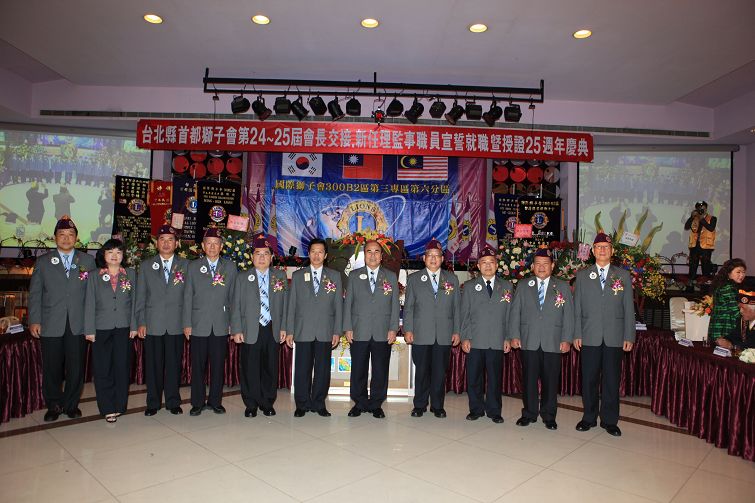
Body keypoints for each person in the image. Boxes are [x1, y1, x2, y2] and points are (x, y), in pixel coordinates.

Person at [28, 215, 96, 421]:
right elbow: (35, 294)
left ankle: (71, 404)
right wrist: (34, 320)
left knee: (76, 367)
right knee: (52, 367)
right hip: (51, 322)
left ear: (76, 238)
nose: (66, 238)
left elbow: (93, 295)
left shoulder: (87, 261)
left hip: (78, 323)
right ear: (55, 237)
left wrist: (91, 323)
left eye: (70, 234)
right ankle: (54, 405)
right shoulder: (43, 262)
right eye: (62, 234)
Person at [573, 233, 635, 437]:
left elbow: (628, 308)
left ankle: (609, 420)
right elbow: (577, 307)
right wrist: (577, 333)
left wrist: (629, 336)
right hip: (589, 335)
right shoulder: (583, 275)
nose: (602, 250)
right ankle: (589, 417)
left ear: (612, 251)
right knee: (589, 379)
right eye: (598, 247)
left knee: (611, 380)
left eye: (606, 247)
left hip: (614, 336)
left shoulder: (623, 275)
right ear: (592, 251)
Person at [508, 247, 574, 430]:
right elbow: (515, 312)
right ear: (533, 267)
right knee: (529, 379)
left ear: (552, 266)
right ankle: (529, 413)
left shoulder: (562, 286)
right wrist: (514, 335)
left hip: (553, 340)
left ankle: (549, 415)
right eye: (538, 264)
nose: (542, 267)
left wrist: (567, 339)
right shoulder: (523, 285)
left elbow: (569, 315)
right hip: (529, 340)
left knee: (550, 381)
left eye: (545, 264)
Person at [231, 234, 288, 418]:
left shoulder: (279, 276)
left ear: (272, 257)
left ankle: (267, 402)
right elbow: (235, 305)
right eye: (258, 253)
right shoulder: (242, 277)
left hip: (272, 327)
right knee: (250, 368)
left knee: (270, 367)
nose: (262, 257)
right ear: (251, 256)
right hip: (250, 328)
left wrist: (284, 327)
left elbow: (286, 305)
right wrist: (237, 329)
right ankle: (251, 404)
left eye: (266, 253)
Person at [403, 238, 461, 418]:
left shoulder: (451, 278)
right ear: (424, 258)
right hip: (421, 333)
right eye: (430, 255)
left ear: (442, 259)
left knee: (439, 372)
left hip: (444, 333)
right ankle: (419, 405)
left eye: (437, 255)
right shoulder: (414, 279)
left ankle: (437, 406)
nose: (433, 259)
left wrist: (457, 331)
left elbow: (457, 308)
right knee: (421, 371)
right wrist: (408, 329)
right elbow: (409, 307)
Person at [342, 240, 400, 419]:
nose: (373, 255)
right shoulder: (354, 275)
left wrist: (393, 328)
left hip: (383, 331)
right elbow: (348, 303)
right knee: (358, 369)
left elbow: (395, 305)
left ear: (381, 256)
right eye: (369, 251)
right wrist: (348, 327)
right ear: (364, 254)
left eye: (376, 252)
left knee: (380, 370)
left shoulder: (390, 276)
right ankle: (359, 403)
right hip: (359, 330)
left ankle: (376, 404)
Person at [285, 238, 343, 417]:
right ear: (308, 254)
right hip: (303, 329)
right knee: (302, 369)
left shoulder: (334, 276)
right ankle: (302, 404)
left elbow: (338, 306)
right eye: (313, 252)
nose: (316, 255)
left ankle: (319, 403)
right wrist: (290, 331)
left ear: (325, 255)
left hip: (325, 330)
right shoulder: (298, 276)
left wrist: (337, 331)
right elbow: (291, 305)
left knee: (322, 370)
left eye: (320, 252)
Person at [134, 225, 188, 416]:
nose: (166, 243)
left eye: (170, 239)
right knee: (153, 365)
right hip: (153, 323)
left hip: (176, 323)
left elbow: (189, 297)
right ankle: (153, 402)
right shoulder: (146, 266)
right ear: (156, 243)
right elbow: (140, 297)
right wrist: (141, 322)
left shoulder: (186, 265)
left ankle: (173, 401)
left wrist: (187, 323)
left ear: (177, 243)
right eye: (162, 239)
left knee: (174, 364)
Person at [183, 226, 237, 416]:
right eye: (209, 243)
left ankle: (215, 401)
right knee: (197, 366)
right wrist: (187, 323)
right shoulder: (193, 266)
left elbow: (234, 298)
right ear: (203, 246)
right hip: (198, 323)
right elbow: (187, 296)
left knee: (217, 366)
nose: (212, 247)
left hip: (221, 324)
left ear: (221, 246)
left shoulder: (230, 267)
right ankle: (197, 402)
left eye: (216, 244)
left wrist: (233, 324)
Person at [84, 238, 137, 423]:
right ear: (104, 255)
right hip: (101, 328)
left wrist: (134, 325)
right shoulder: (94, 275)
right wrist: (89, 329)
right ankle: (107, 407)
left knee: (122, 367)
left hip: (124, 327)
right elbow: (89, 303)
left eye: (118, 252)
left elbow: (135, 302)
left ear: (123, 255)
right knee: (103, 369)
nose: (114, 256)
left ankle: (120, 405)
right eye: (110, 252)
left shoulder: (130, 274)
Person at [460, 246, 513, 424]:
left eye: (491, 262)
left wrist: (508, 337)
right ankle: (475, 409)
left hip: (497, 339)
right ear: (478, 266)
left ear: (497, 265)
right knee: (474, 377)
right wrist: (465, 337)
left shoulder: (506, 287)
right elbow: (464, 315)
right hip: (475, 339)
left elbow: (510, 315)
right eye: (484, 262)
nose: (488, 265)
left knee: (495, 378)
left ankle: (494, 411)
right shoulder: (469, 287)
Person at [708, 259, 747, 343]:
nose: (742, 275)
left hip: (721, 328)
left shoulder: (725, 285)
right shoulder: (727, 288)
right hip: (724, 330)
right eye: (738, 272)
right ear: (728, 273)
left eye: (743, 272)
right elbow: (736, 312)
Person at [684, 200, 717, 290]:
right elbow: (686, 227)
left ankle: (705, 289)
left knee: (705, 267)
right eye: (699, 208)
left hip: (706, 247)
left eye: (703, 208)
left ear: (706, 208)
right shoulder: (694, 218)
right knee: (692, 266)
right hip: (695, 246)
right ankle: (690, 288)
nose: (701, 210)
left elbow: (711, 228)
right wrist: (691, 217)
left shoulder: (712, 218)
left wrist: (702, 218)